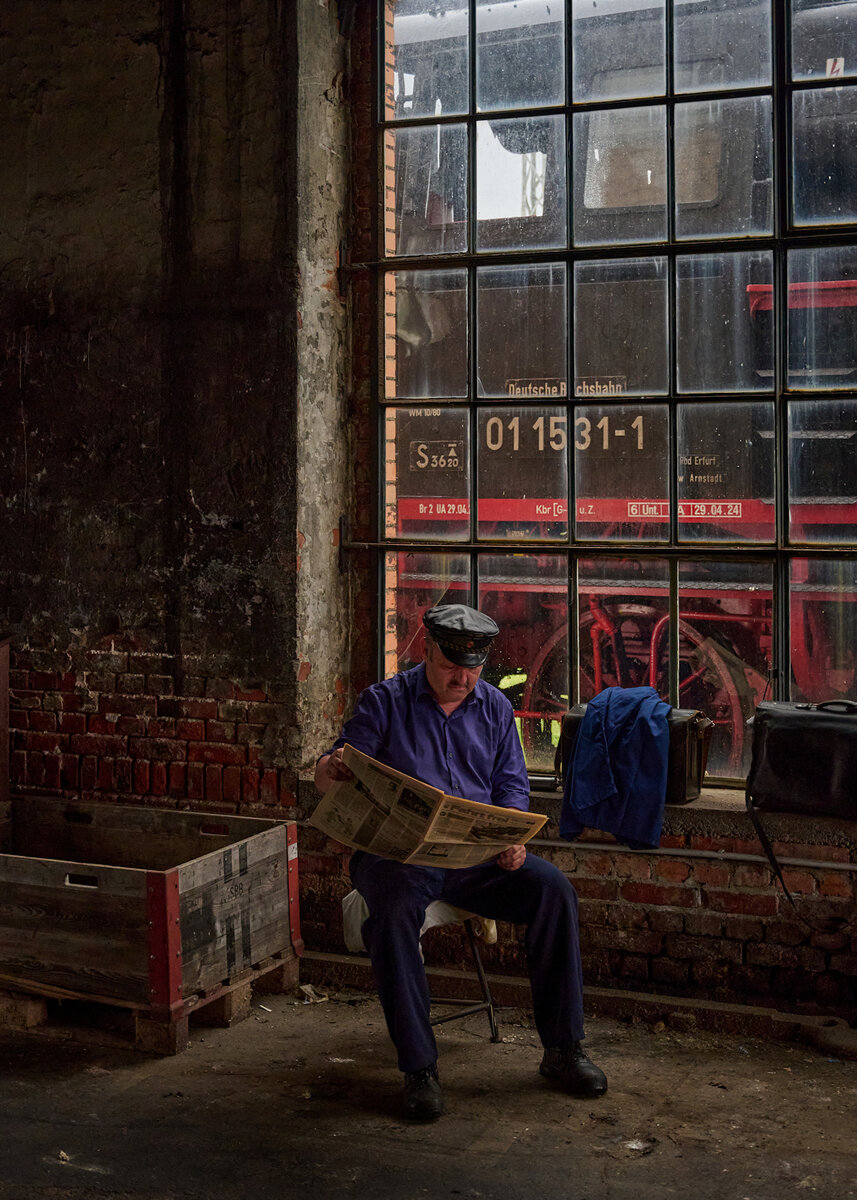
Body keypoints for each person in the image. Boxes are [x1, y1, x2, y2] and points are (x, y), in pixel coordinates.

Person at [314, 603, 607, 1121]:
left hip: (473, 859)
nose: (462, 678)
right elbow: (338, 771)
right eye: (452, 666)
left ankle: (563, 1049)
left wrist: (513, 835)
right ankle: (419, 1067)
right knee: (393, 914)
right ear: (426, 649)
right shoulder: (384, 702)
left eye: (473, 669)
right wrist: (331, 767)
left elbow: (511, 786)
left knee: (553, 891)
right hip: (396, 858)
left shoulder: (494, 707)